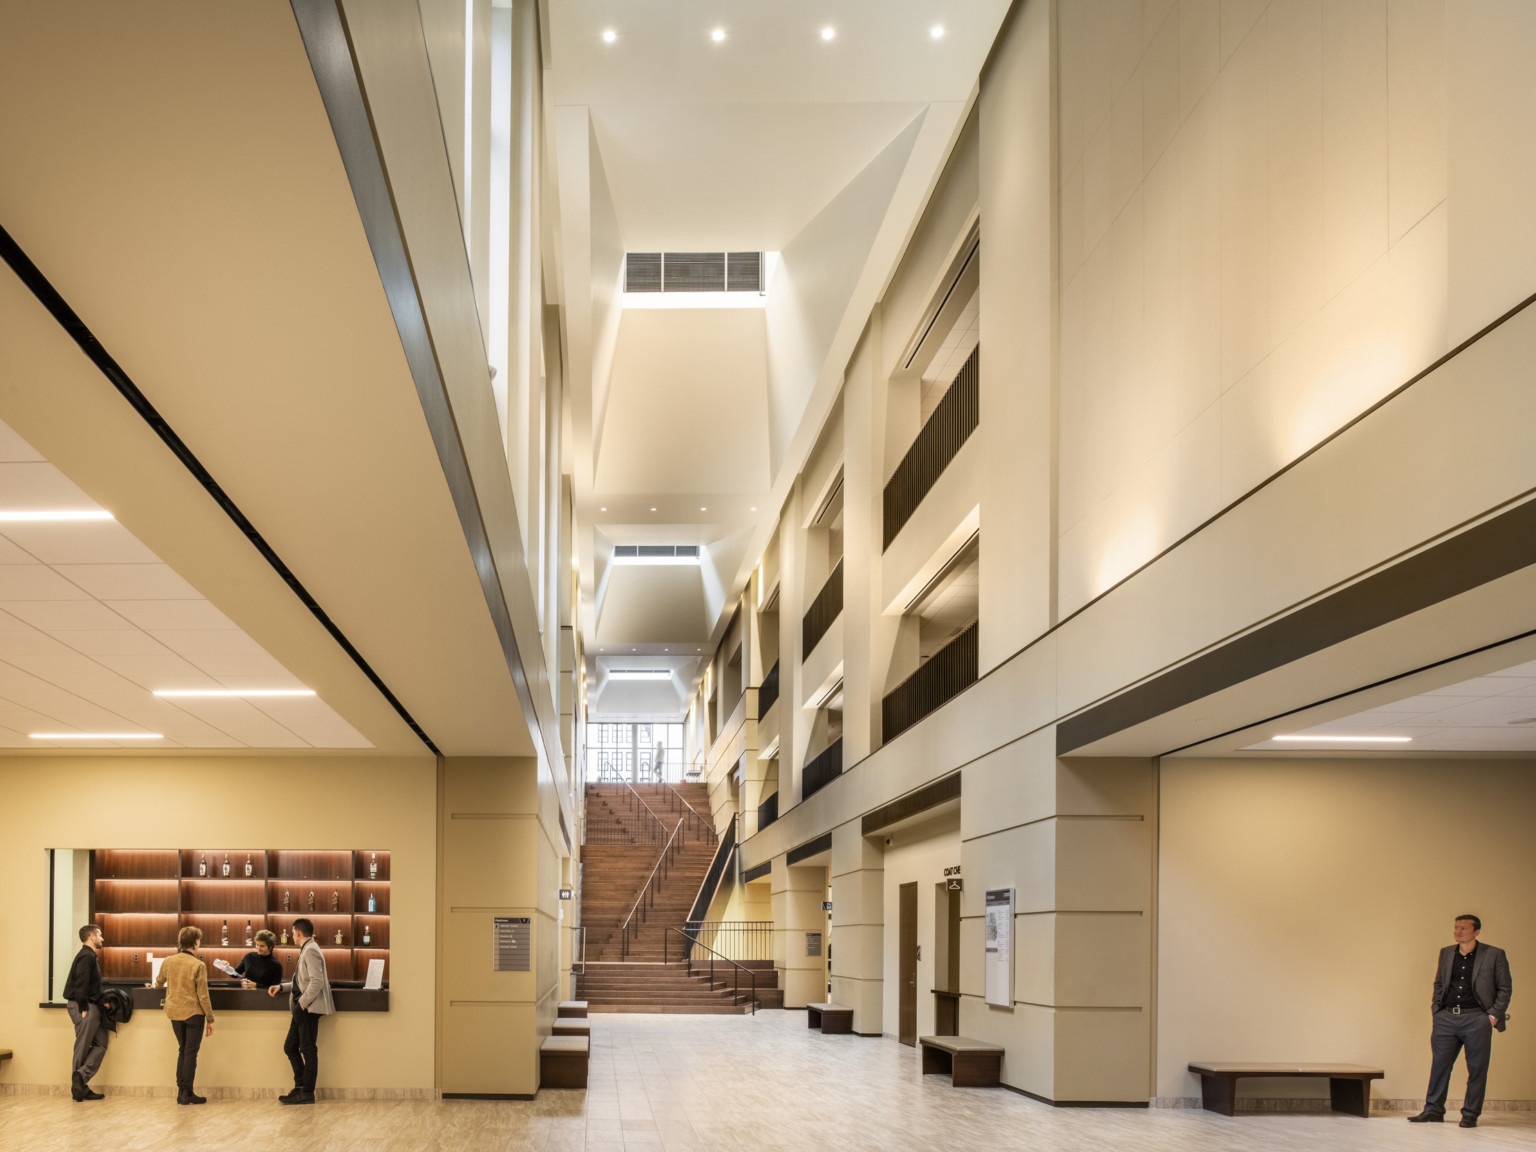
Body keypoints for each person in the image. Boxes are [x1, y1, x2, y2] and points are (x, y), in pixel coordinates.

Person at [1409, 914, 1513, 1128]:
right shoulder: (1447, 953)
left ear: (1476, 932)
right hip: (1446, 1017)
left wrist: (1492, 1017)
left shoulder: (1494, 954)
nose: (1458, 931)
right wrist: (1436, 1010)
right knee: (1439, 1066)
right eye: (1456, 927)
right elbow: (1439, 983)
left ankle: (1470, 1114)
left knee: (1476, 1069)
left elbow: (1504, 988)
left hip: (1477, 1018)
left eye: (1464, 928)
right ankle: (1433, 1110)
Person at [267, 918, 333, 1104]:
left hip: (307, 1008)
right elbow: (300, 981)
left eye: (292, 932)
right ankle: (300, 1088)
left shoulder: (311, 950)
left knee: (308, 1050)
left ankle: (307, 1093)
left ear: (297, 932)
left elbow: (317, 981)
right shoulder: (308, 949)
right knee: (290, 1047)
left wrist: (302, 1004)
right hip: (301, 1008)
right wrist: (282, 987)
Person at [155, 926, 215, 1104]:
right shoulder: (198, 965)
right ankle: (187, 1092)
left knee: (182, 1051)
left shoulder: (168, 961)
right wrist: (210, 1019)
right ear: (196, 942)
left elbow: (159, 983)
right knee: (190, 1053)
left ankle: (181, 1091)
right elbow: (203, 996)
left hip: (174, 1012)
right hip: (193, 1013)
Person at [62, 924, 109, 1101]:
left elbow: (89, 985)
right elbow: (81, 984)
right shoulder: (86, 957)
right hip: (84, 1007)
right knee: (82, 1046)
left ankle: (81, 1077)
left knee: (101, 1043)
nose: (102, 939)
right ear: (91, 936)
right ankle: (79, 1086)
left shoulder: (89, 956)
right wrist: (83, 1008)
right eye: (100, 935)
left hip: (90, 1005)